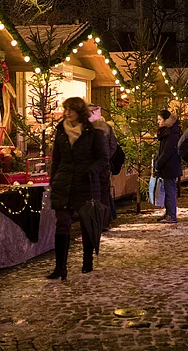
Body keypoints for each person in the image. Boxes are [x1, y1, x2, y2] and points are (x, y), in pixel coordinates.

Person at [47, 97, 109, 280]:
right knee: (63, 224)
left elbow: (103, 159)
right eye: (65, 110)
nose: (67, 113)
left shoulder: (93, 133)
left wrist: (91, 170)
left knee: (86, 223)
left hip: (86, 184)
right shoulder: (60, 132)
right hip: (64, 183)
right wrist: (54, 180)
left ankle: (87, 261)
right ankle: (60, 267)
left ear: (79, 112)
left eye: (71, 110)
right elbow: (56, 159)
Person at [155, 110, 182, 224]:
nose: (158, 122)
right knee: (167, 190)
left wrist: (158, 164)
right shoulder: (168, 131)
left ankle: (171, 214)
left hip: (170, 166)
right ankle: (169, 212)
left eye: (160, 120)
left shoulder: (171, 133)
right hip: (168, 166)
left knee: (170, 190)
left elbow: (167, 151)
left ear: (166, 120)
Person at [92, 117, 118, 230]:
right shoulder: (106, 127)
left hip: (94, 167)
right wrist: (106, 158)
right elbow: (113, 145)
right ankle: (104, 223)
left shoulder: (87, 128)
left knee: (95, 195)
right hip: (103, 167)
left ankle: (96, 222)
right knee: (104, 195)